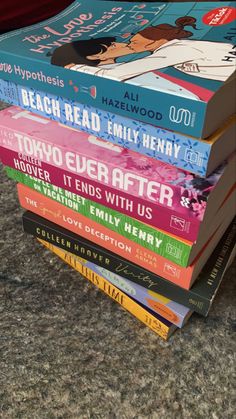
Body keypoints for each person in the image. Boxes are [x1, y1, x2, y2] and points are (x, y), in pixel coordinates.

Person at [50, 16, 235, 84]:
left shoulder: (175, 49)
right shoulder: (171, 51)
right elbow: (116, 71)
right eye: (113, 46)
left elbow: (122, 72)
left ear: (151, 43)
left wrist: (74, 69)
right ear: (93, 56)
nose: (127, 44)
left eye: (134, 41)